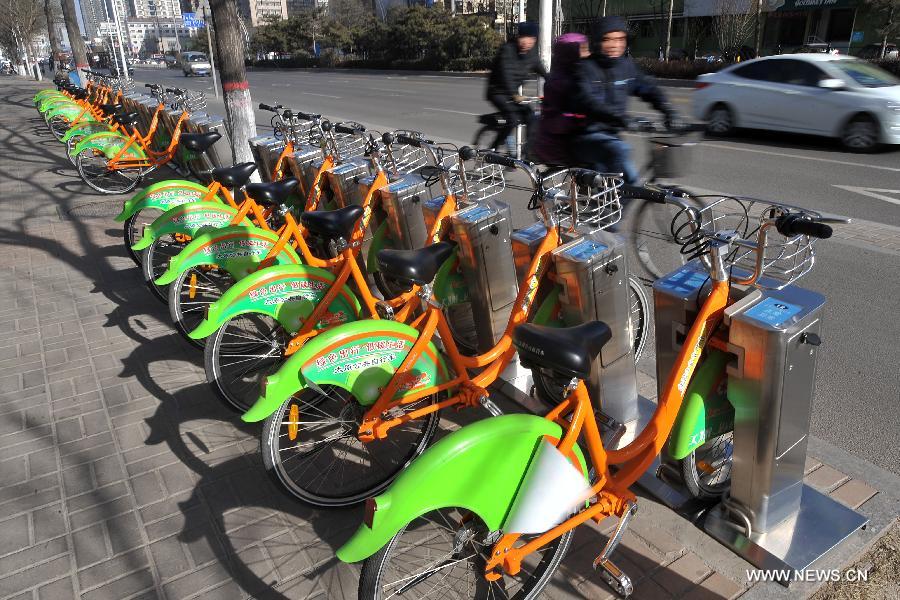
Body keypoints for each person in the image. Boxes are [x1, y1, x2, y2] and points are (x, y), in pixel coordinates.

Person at [571, 16, 678, 183]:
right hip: (587, 137)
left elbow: (647, 88)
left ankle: (613, 199)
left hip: (612, 136)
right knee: (628, 177)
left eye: (620, 39)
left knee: (626, 176)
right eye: (608, 39)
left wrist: (668, 109)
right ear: (597, 41)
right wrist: (620, 118)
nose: (615, 45)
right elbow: (589, 101)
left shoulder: (626, 66)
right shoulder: (585, 68)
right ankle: (614, 205)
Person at [485, 21, 548, 154]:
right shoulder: (507, 50)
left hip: (513, 94)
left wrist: (554, 83)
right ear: (518, 37)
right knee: (513, 119)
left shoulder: (531, 54)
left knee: (531, 116)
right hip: (497, 92)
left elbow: (541, 71)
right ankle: (493, 150)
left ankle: (528, 152)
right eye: (524, 37)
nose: (527, 42)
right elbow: (506, 74)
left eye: (531, 39)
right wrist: (514, 94)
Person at [532, 33, 590, 166]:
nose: (587, 54)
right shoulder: (558, 82)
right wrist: (580, 119)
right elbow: (555, 119)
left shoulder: (576, 75)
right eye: (583, 50)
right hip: (556, 146)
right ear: (570, 53)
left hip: (572, 141)